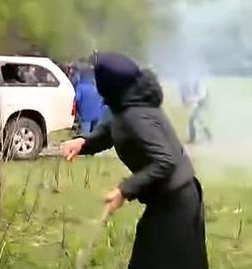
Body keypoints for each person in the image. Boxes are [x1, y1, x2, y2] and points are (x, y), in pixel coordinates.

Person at [62, 53, 208, 269]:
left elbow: (165, 161)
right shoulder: (125, 104)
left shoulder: (136, 115)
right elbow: (111, 130)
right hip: (167, 200)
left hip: (177, 203)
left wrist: (125, 190)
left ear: (108, 84)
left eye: (97, 77)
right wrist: (84, 142)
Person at [74, 68, 109, 134]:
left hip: (85, 114)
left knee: (85, 135)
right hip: (98, 114)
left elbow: (77, 99)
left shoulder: (80, 87)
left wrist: (79, 111)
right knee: (95, 134)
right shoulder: (97, 86)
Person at [180, 78, 212, 144]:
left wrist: (190, 100)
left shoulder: (201, 85)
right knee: (199, 121)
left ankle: (194, 138)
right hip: (200, 105)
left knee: (194, 121)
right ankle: (207, 136)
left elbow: (201, 97)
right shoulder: (199, 83)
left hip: (202, 105)